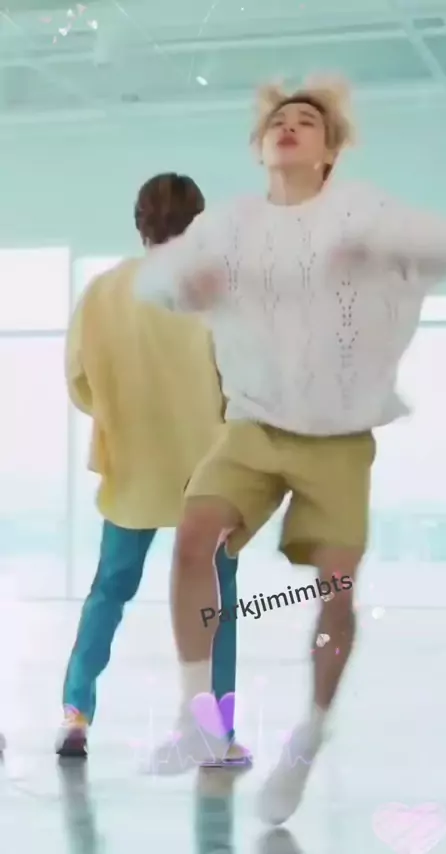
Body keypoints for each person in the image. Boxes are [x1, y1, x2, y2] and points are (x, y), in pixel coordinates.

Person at [134, 78, 446, 819]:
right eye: (278, 121)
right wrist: (186, 282)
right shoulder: (230, 222)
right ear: (261, 147)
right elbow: (154, 279)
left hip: (339, 439)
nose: (289, 127)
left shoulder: (363, 208)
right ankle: (198, 718)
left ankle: (309, 735)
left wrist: (378, 247)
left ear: (330, 149)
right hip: (253, 427)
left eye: (306, 121)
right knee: (193, 538)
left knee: (336, 590)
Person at [56, 173, 250, 767]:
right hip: (207, 470)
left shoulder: (103, 293)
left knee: (109, 590)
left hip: (132, 466)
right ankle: (215, 730)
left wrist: (119, 417)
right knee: (217, 599)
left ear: (140, 223)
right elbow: (240, 385)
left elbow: (79, 382)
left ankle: (75, 712)